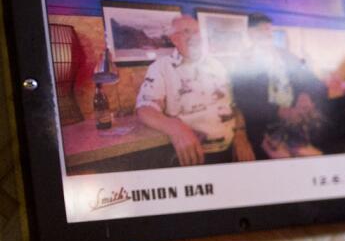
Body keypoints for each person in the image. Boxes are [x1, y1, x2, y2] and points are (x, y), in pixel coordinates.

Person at [135, 14, 255, 166]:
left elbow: (234, 105)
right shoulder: (161, 68)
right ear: (174, 39)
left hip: (231, 151)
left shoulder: (217, 65)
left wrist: (240, 134)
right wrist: (175, 127)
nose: (194, 37)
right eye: (186, 32)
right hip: (195, 156)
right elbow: (145, 109)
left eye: (197, 32)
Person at [228, 13, 331, 159]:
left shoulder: (286, 55)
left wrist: (305, 95)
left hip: (297, 123)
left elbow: (312, 81)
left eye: (269, 30)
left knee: (315, 156)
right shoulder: (241, 63)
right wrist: (278, 111)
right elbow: (244, 101)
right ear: (250, 34)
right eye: (261, 30)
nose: (267, 34)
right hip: (265, 127)